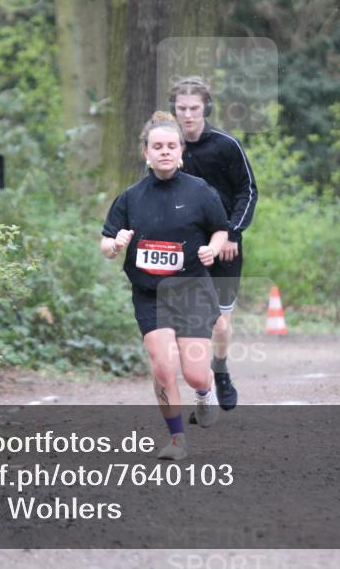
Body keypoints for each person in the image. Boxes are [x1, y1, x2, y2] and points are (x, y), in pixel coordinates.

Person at [101, 111, 230, 460]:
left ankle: (205, 395)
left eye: (171, 146)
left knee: (196, 376)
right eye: (157, 146)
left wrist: (212, 249)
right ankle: (176, 439)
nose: (165, 152)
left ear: (181, 152)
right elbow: (106, 241)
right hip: (150, 294)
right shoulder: (130, 197)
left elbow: (221, 229)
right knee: (162, 366)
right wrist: (115, 245)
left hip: (191, 290)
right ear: (146, 152)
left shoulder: (200, 191)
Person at [169, 77, 257, 413]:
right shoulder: (169, 146)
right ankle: (199, 384)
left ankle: (220, 371)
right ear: (173, 109)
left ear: (206, 107)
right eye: (181, 109)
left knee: (220, 322)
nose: (188, 115)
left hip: (226, 245)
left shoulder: (225, 145)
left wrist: (232, 232)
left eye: (194, 108)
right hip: (185, 247)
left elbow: (247, 191)